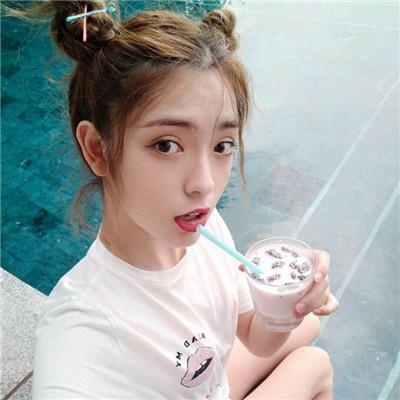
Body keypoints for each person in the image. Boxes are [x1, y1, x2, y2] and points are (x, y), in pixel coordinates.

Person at [7, 1, 340, 398]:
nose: (204, 184)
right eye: (166, 145)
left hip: (211, 384)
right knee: (314, 365)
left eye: (222, 145)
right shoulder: (83, 334)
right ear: (97, 148)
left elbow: (255, 334)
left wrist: (287, 307)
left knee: (308, 322)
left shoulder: (206, 229)